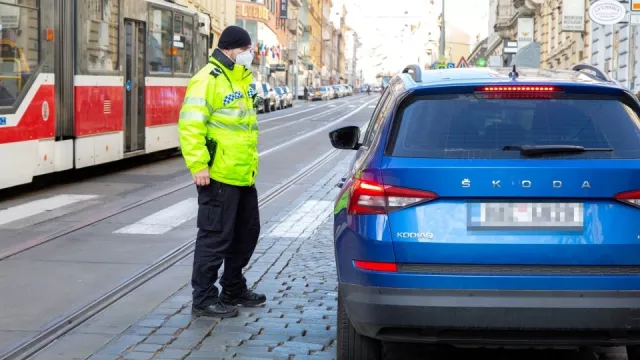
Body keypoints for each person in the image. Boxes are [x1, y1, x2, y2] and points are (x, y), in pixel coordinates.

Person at [178, 25, 266, 318]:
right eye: (245, 50)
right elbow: (191, 125)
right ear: (230, 49)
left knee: (246, 233)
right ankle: (203, 299)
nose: (249, 55)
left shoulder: (240, 79)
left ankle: (233, 287)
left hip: (243, 173)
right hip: (217, 174)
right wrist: (199, 165)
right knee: (215, 237)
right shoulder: (207, 79)